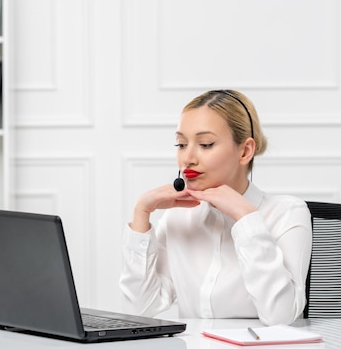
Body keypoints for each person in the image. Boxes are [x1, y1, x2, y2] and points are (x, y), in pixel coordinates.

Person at [119, 89, 312, 326]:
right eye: (181, 144)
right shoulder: (178, 218)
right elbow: (141, 307)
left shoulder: (287, 213)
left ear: (245, 151)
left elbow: (280, 317)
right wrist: (141, 213)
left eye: (206, 144)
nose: (187, 158)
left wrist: (246, 219)